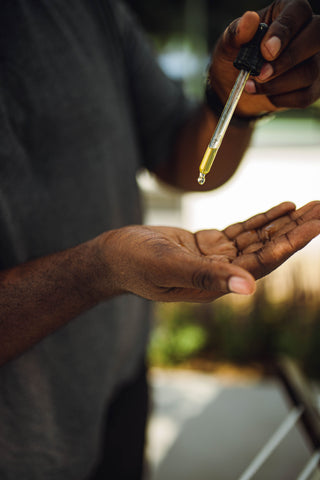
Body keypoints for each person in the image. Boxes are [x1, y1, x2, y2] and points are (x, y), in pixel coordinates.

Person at [0, 0, 319, 478]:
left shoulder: (87, 12)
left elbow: (183, 157)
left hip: (118, 389)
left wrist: (236, 101)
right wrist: (99, 268)